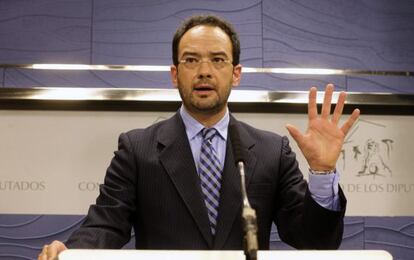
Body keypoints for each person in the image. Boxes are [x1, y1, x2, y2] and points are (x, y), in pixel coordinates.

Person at [38, 14, 360, 259]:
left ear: (236, 73)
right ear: (175, 74)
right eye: (191, 60)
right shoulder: (138, 149)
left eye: (218, 60)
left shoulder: (271, 151)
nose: (204, 71)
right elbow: (106, 224)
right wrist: (70, 251)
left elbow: (316, 242)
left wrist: (321, 173)